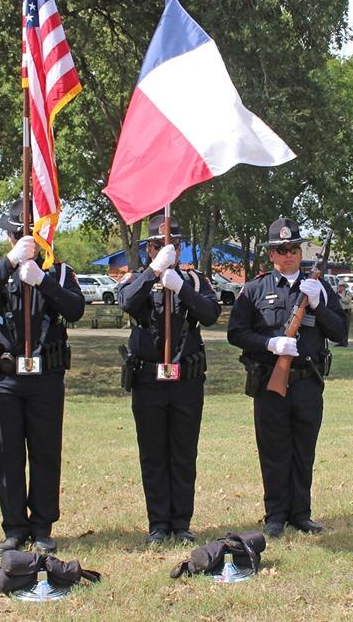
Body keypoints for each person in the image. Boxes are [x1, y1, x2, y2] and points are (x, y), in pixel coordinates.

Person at [0, 199, 84, 556]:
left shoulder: (60, 273)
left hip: (45, 377)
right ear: (8, 235)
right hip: (3, 378)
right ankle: (14, 526)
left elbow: (75, 310)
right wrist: (10, 263)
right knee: (7, 453)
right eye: (18, 234)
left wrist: (44, 282)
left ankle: (43, 525)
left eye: (31, 234)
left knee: (45, 452)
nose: (25, 239)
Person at [227, 217, 344, 537]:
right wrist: (269, 343)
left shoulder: (318, 286)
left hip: (307, 382)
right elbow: (235, 332)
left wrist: (319, 304)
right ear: (271, 255)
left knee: (304, 449)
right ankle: (275, 514)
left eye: (293, 248)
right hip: (269, 382)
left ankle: (301, 514)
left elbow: (340, 331)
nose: (288, 254)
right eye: (281, 249)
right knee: (274, 450)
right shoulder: (254, 289)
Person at [117, 213, 221, 545]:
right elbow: (127, 302)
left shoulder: (194, 281)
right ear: (148, 248)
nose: (165, 249)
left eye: (172, 244)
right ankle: (158, 524)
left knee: (183, 452)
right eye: (158, 245)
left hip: (186, 381)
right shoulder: (136, 278)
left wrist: (181, 287)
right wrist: (154, 272)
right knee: (153, 453)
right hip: (148, 381)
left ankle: (182, 523)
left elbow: (211, 315)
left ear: (179, 247)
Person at [336, 282, 352, 346]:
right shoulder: (336, 293)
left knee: (346, 327)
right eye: (339, 286)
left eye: (341, 286)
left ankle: (345, 342)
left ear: (344, 287)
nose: (340, 288)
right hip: (339, 312)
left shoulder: (347, 293)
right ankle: (340, 341)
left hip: (346, 312)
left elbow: (347, 301)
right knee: (339, 327)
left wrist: (340, 297)